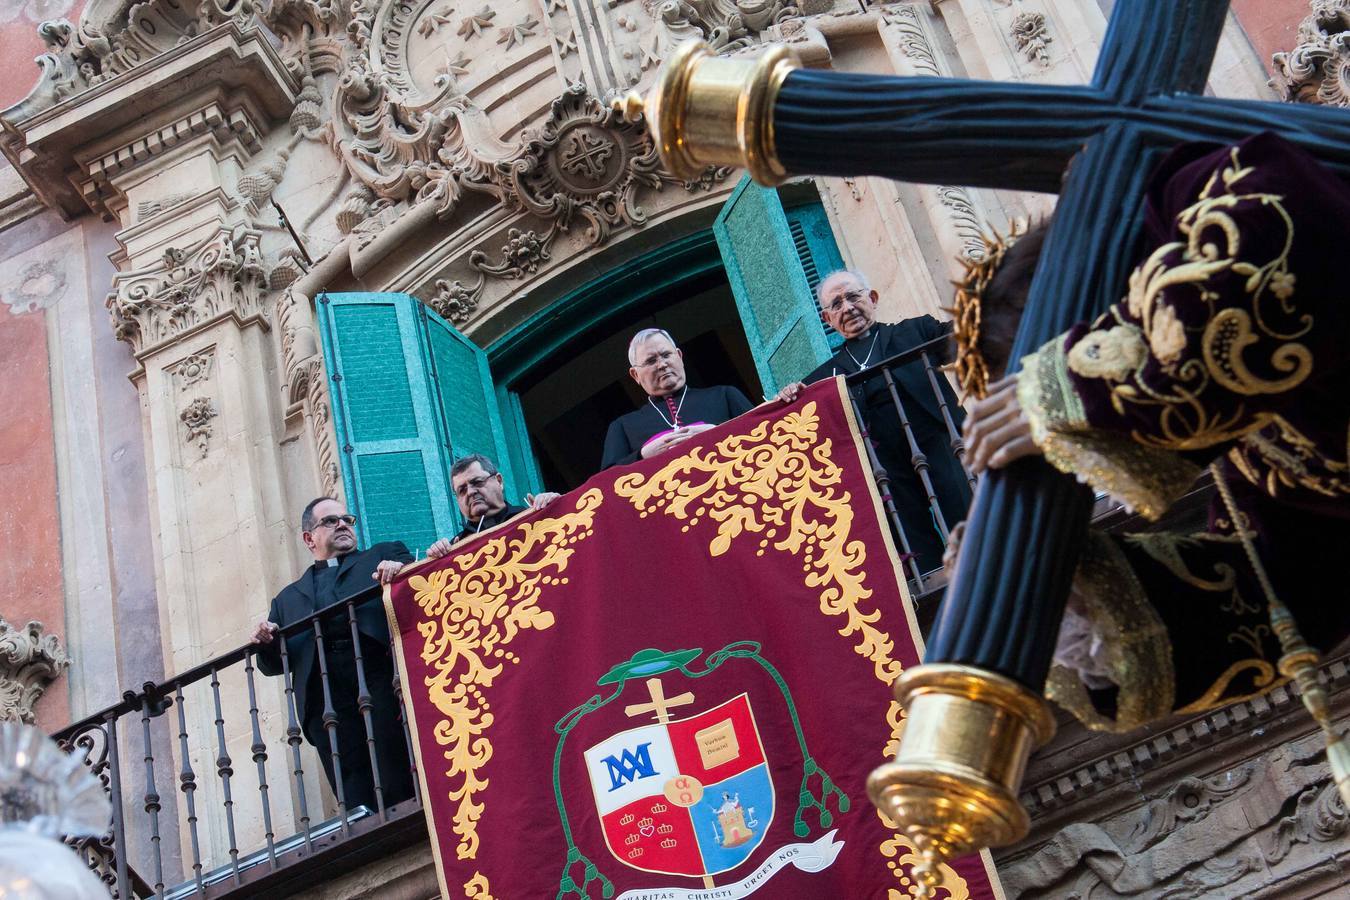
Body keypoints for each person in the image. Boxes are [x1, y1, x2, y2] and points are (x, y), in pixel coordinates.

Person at [951, 132, 1349, 733]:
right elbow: (1284, 593)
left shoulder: (1191, 191)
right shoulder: (1249, 460)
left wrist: (1067, 387)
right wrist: (1067, 594)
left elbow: (1290, 235)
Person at [776, 270, 972, 571]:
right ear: (828, 320)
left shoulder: (915, 331)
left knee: (968, 517)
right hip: (885, 470)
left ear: (873, 298)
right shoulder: (825, 376)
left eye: (853, 296)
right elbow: (790, 418)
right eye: (837, 304)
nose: (848, 308)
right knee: (913, 541)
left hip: (940, 444)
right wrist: (790, 393)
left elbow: (967, 336)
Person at [251, 497, 416, 810]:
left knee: (394, 759)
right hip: (323, 695)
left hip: (380, 675)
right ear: (309, 538)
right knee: (351, 780)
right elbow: (273, 665)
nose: (342, 524)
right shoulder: (286, 599)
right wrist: (265, 640)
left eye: (347, 519)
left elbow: (422, 587)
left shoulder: (383, 555)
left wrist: (402, 571)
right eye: (330, 521)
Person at [600, 328, 754, 469]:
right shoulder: (623, 426)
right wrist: (642, 455)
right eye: (651, 361)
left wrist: (715, 432)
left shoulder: (724, 395)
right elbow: (605, 485)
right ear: (635, 375)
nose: (662, 365)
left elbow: (762, 432)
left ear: (679, 356)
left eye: (666, 355)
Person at [425, 454, 561, 557]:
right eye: (462, 490)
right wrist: (435, 560)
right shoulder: (455, 548)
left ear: (499, 481)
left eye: (477, 482)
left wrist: (557, 509)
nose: (471, 492)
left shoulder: (534, 515)